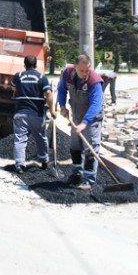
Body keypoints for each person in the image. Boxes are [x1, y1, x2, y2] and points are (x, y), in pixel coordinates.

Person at [56, 54, 104, 189]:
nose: (84, 73)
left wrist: (84, 123)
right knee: (75, 145)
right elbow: (61, 90)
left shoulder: (94, 80)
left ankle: (89, 179)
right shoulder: (68, 73)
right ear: (75, 66)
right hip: (76, 115)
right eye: (81, 70)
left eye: (87, 70)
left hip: (92, 118)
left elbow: (96, 104)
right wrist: (62, 106)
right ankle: (76, 174)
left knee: (91, 147)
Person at [6, 54, 54, 172]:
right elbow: (48, 93)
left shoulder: (19, 76)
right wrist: (52, 109)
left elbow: (12, 87)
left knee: (20, 139)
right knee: (41, 138)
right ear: (36, 65)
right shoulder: (42, 77)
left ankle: (20, 165)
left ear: (24, 64)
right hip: (36, 113)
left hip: (20, 113)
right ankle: (44, 161)